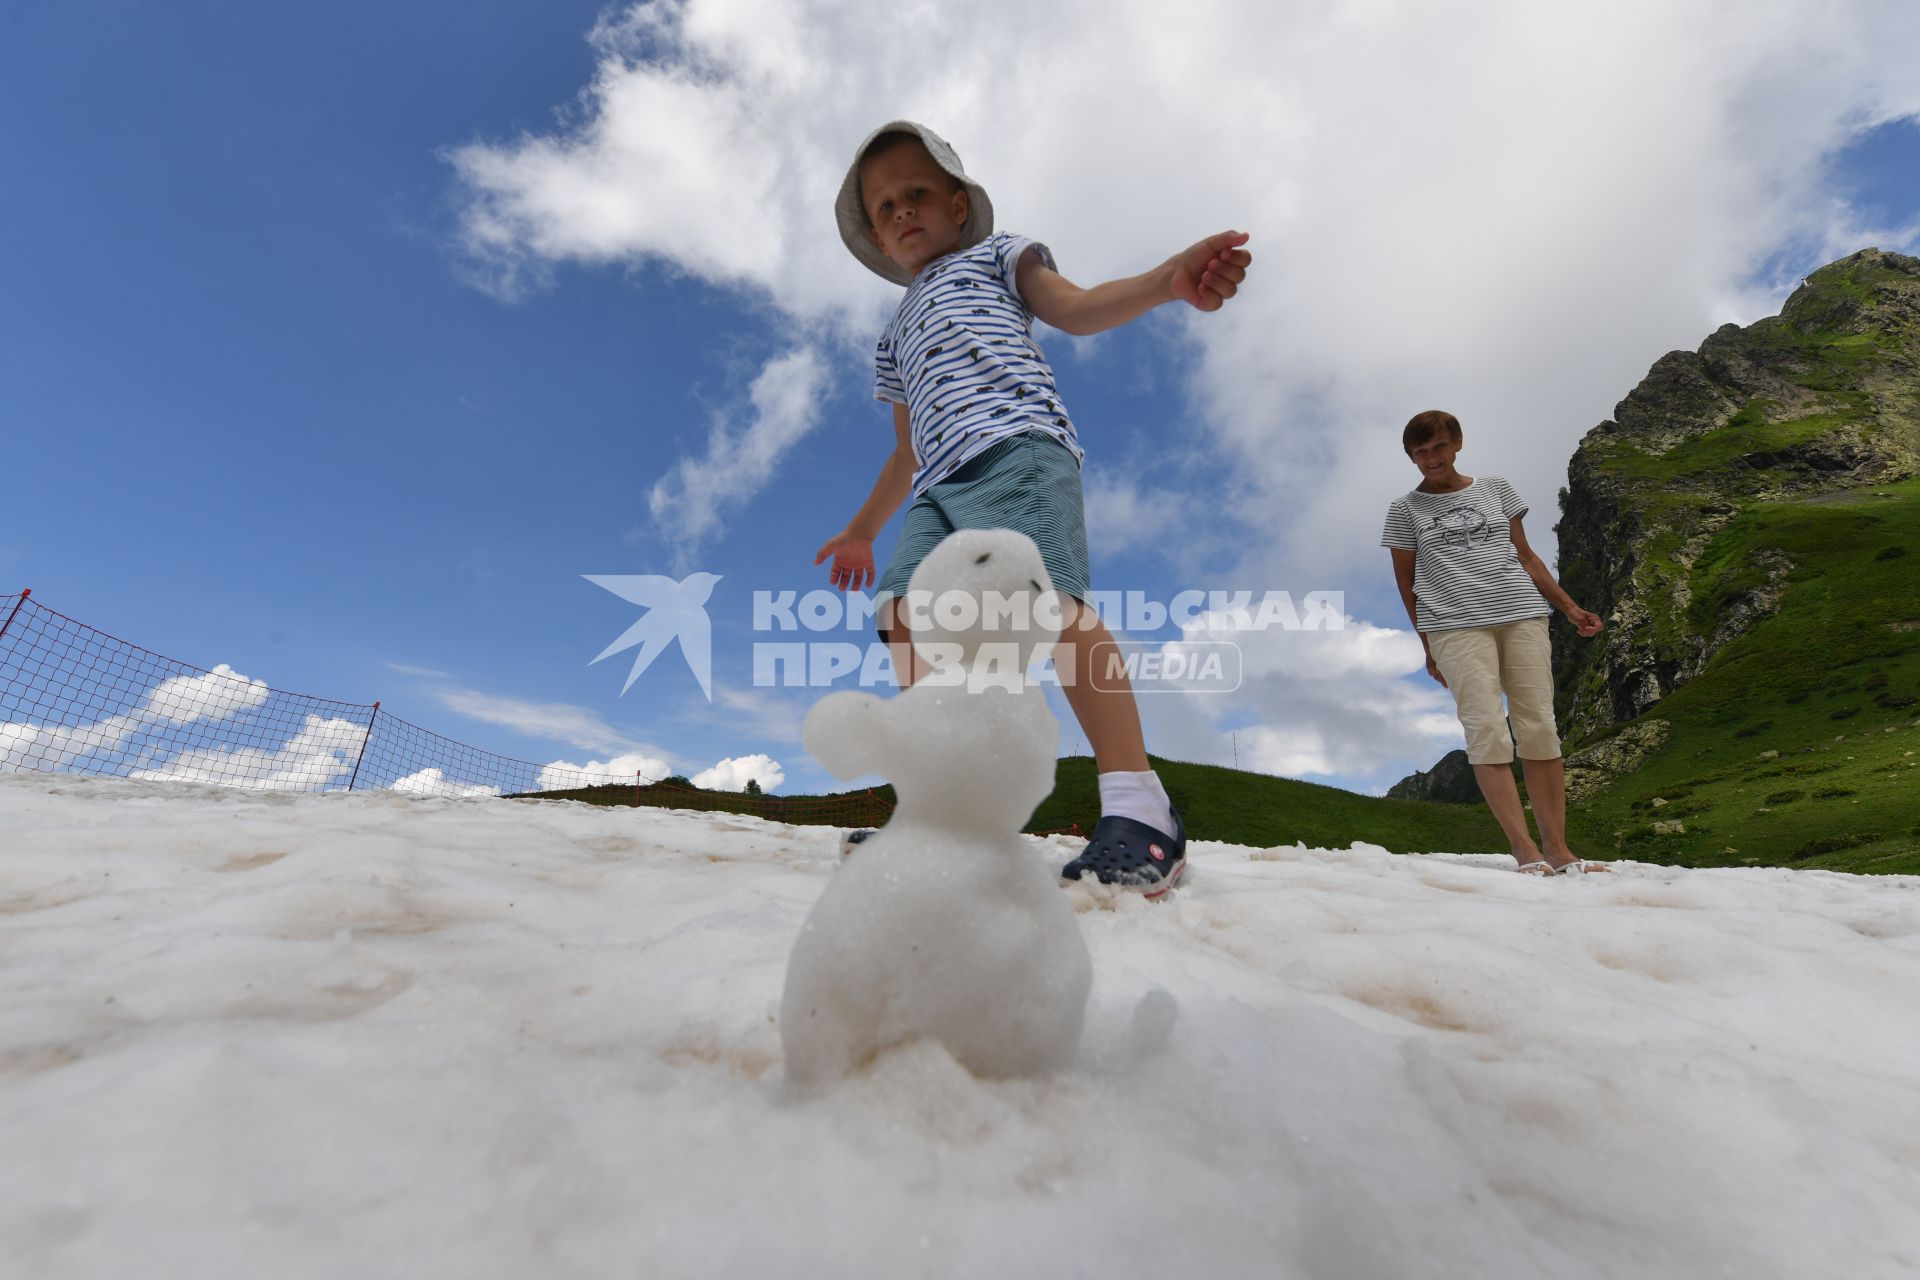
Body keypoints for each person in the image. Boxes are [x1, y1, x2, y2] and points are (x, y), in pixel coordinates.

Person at [814, 120, 1252, 893]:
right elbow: (905, 449)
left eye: (916, 193)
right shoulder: (893, 335)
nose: (901, 212)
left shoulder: (996, 254)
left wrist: (1166, 280)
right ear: (880, 241)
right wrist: (858, 530)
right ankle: (945, 808)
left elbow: (1076, 309)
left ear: (958, 205)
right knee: (902, 615)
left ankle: (1139, 804)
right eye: (884, 208)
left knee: (1048, 610)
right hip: (936, 488)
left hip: (1018, 448)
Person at [1380, 409, 1609, 874]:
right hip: (1454, 625)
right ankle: (1525, 852)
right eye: (1420, 453)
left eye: (1438, 447)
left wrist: (1568, 607)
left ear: (1457, 444)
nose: (1431, 459)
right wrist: (1426, 645)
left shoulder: (1495, 489)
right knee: (1486, 731)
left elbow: (1526, 556)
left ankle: (1560, 852)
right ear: (1411, 458)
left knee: (1540, 726)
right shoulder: (1404, 510)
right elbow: (1407, 584)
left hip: (1521, 615)